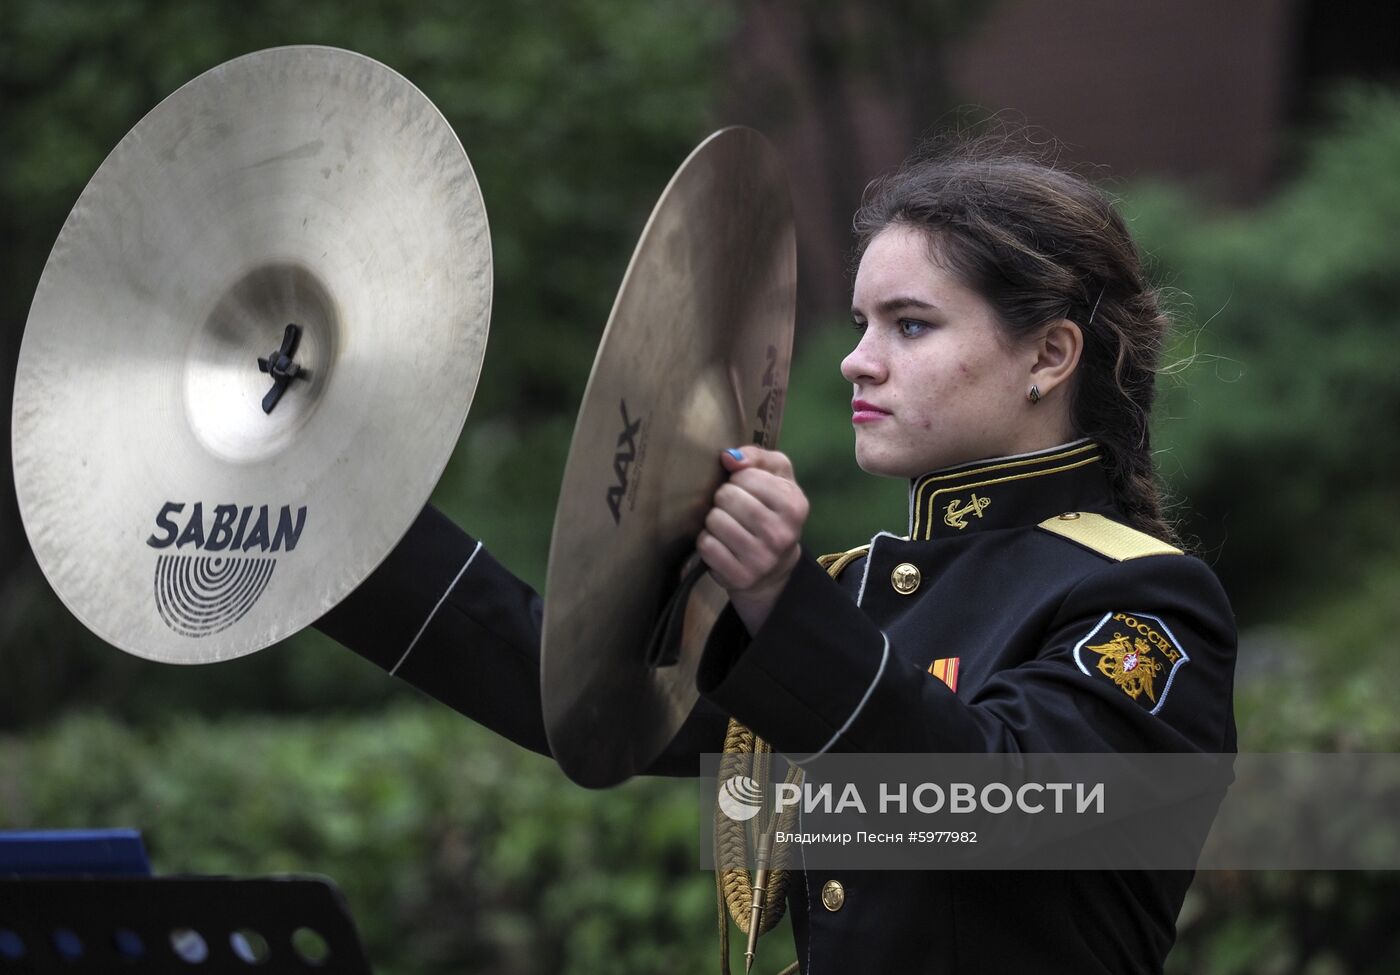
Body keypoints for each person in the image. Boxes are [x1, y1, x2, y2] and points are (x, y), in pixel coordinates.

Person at [316, 135, 1237, 974]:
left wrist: (781, 597)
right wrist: (328, 506)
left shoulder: (1146, 599)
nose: (856, 360)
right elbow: (568, 686)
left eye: (910, 324)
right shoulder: (851, 596)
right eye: (863, 322)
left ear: (1050, 353)